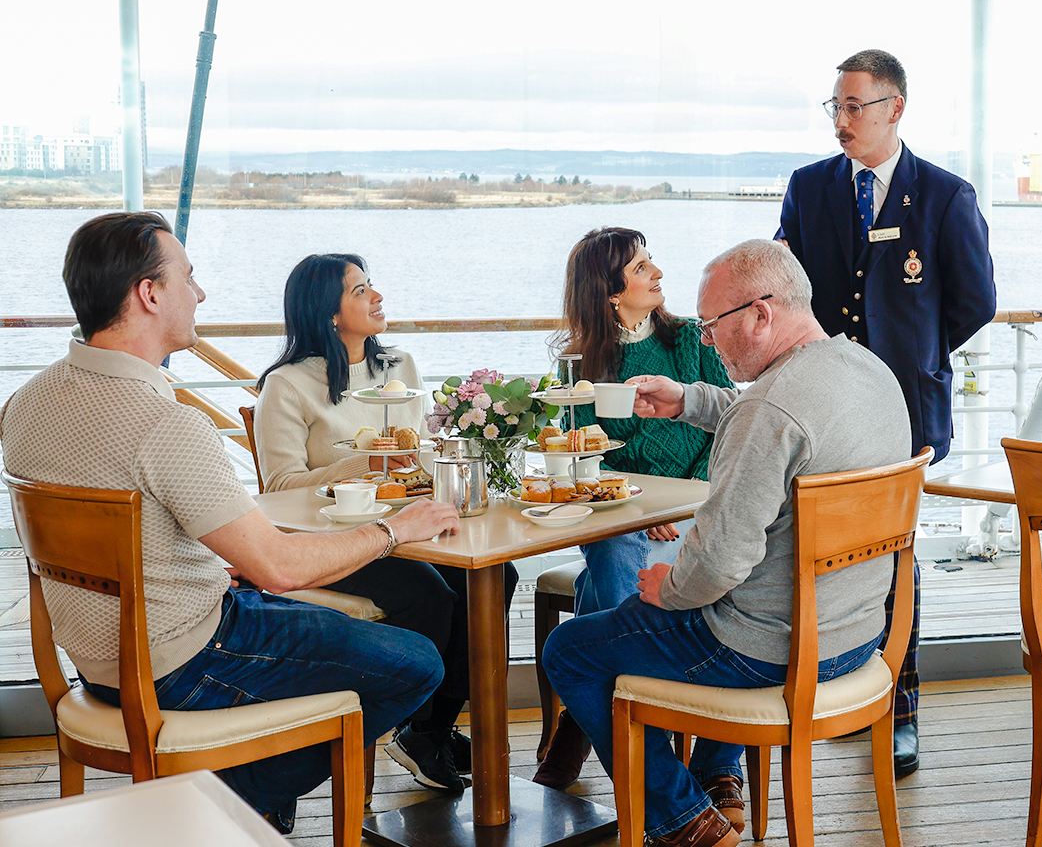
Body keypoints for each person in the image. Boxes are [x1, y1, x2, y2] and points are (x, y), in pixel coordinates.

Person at [0, 212, 458, 833]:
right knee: (416, 661)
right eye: (189, 277)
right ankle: (223, 801)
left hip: (96, 662)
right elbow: (278, 568)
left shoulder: (26, 402)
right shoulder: (164, 424)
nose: (201, 293)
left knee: (337, 627)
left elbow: (145, 527)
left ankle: (242, 795)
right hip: (189, 658)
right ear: (150, 294)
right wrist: (395, 529)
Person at [542, 239, 912, 847]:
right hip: (856, 637)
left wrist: (670, 588)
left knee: (572, 650)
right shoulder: (867, 371)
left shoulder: (768, 411)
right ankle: (712, 784)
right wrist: (689, 399)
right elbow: (780, 424)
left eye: (714, 324)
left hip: (765, 649)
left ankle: (680, 818)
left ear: (762, 314)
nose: (706, 340)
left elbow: (713, 567)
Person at [775, 48, 997, 776]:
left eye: (854, 107)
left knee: (896, 558)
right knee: (825, 551)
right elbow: (789, 289)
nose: (841, 121)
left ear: (894, 109)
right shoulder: (808, 189)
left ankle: (900, 710)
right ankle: (841, 690)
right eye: (834, 107)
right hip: (824, 406)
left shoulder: (945, 194)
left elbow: (975, 302)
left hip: (905, 409)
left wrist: (916, 354)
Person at [254, 252, 515, 794]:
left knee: (496, 577)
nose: (377, 297)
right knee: (432, 597)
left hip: (409, 528)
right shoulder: (287, 384)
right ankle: (420, 726)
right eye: (360, 291)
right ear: (327, 312)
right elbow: (278, 488)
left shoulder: (400, 368)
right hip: (332, 540)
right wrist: (365, 461)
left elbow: (416, 456)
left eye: (373, 286)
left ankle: (429, 727)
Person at [533, 227, 734, 788]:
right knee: (616, 544)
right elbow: (581, 458)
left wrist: (688, 500)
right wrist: (644, 507)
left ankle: (589, 715)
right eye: (643, 268)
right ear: (609, 292)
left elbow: (729, 429)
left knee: (607, 572)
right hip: (623, 512)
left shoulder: (694, 340)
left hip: (699, 504)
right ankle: (652, 730)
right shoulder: (578, 365)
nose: (659, 274)